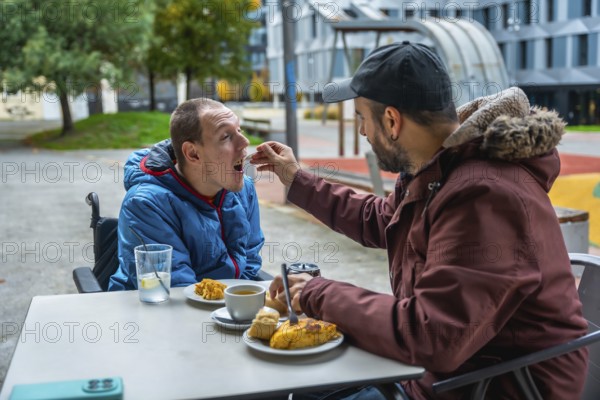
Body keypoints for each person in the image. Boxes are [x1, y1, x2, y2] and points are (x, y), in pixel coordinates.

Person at [251, 42, 588, 399]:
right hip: (449, 371)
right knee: (305, 386)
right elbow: (382, 219)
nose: (363, 132)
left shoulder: (485, 196)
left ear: (392, 121)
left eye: (362, 119)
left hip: (492, 385)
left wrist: (318, 293)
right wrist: (296, 178)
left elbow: (431, 335)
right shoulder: (439, 169)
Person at [109, 98, 264, 290]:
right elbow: (174, 290)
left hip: (224, 307)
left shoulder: (244, 189)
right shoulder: (145, 204)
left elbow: (250, 258)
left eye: (239, 131)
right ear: (193, 154)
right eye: (226, 136)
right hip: (157, 312)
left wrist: (241, 301)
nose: (245, 142)